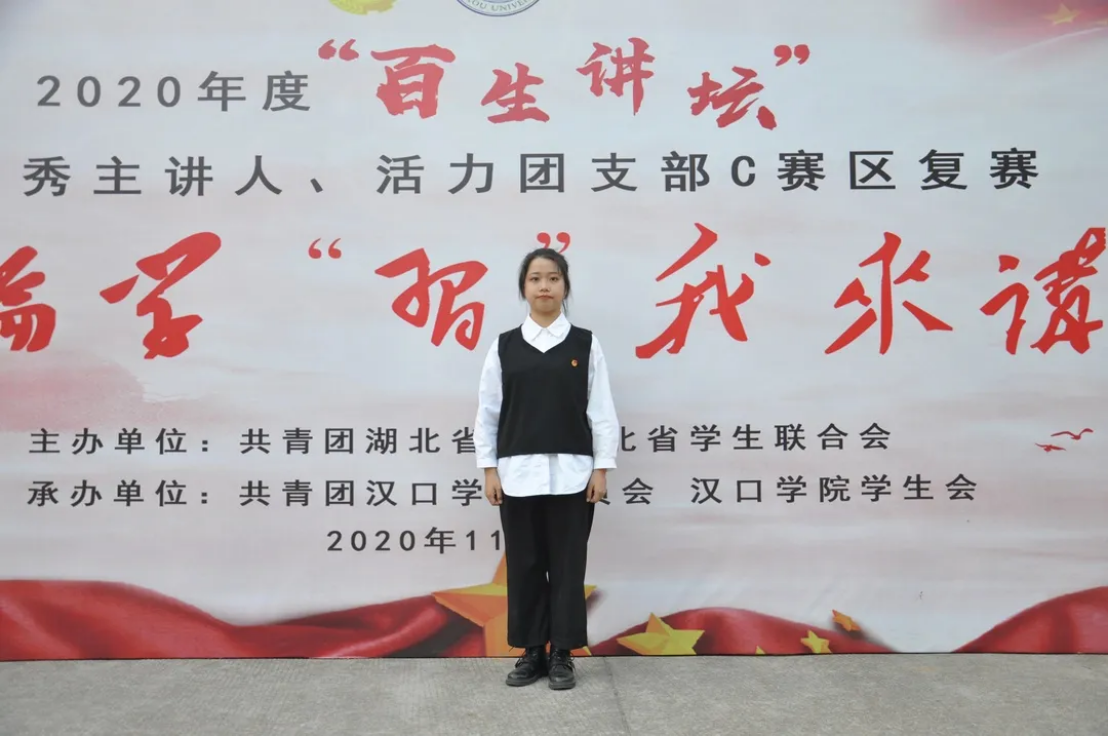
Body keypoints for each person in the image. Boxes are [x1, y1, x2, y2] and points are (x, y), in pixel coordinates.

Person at [472, 247, 619, 691]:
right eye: (535, 278)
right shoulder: (504, 346)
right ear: (524, 288)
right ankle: (532, 651)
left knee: (568, 568)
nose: (544, 287)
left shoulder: (585, 344)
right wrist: (489, 469)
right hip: (516, 476)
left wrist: (602, 468)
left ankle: (563, 654)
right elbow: (488, 412)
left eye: (553, 278)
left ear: (565, 286)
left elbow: (602, 410)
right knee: (525, 565)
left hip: (574, 476)